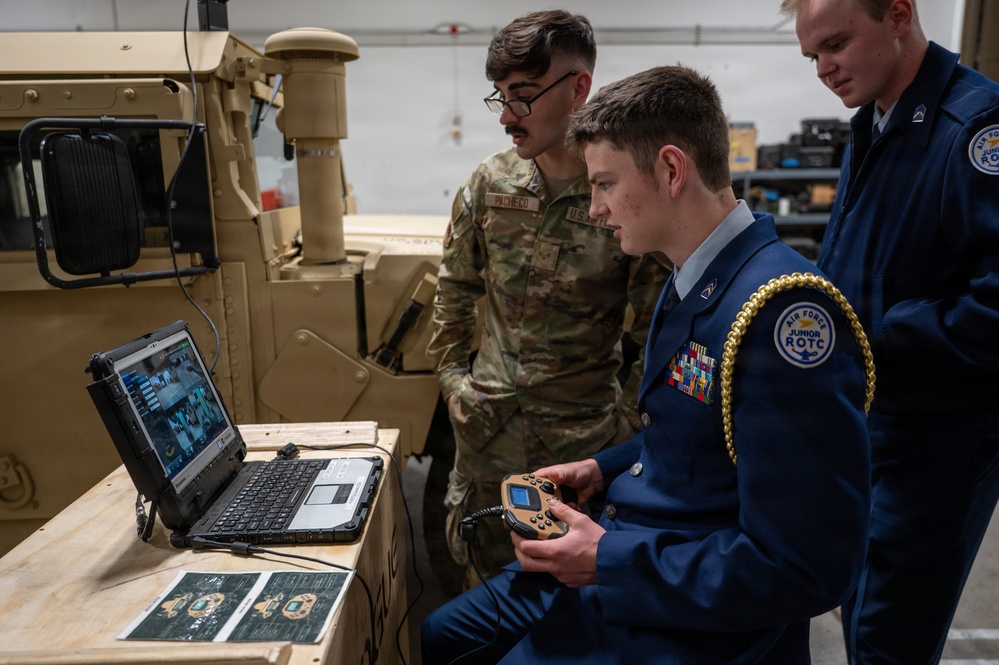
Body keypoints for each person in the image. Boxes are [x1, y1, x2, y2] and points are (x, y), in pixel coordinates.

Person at [421, 64, 874, 665]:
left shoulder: (780, 313)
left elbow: (805, 568)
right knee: (440, 634)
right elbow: (696, 438)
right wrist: (601, 468)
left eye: (604, 184)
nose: (595, 208)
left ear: (670, 169)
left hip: (687, 610)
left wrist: (605, 560)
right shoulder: (693, 275)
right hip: (636, 549)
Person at [782, 0, 999, 662]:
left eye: (836, 44)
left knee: (888, 639)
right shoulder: (873, 123)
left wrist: (882, 332)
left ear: (898, 14)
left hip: (933, 443)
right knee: (859, 615)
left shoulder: (974, 130)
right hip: (867, 429)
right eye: (810, 55)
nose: (823, 68)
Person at [427, 10, 669, 586]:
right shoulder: (492, 183)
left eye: (524, 96)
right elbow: (454, 287)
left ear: (579, 87)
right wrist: (455, 385)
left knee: (570, 609)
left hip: (578, 449)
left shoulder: (616, 194)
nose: (508, 115)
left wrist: (623, 424)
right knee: (482, 600)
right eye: (500, 97)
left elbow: (656, 326)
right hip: (486, 435)